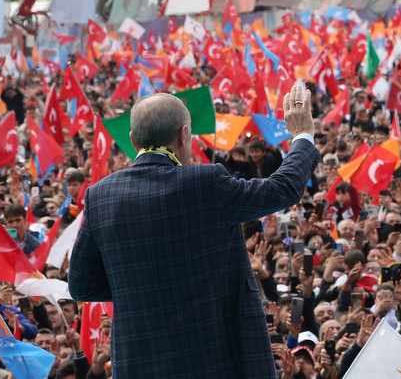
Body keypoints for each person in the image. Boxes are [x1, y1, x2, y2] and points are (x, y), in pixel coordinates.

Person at [68, 86, 320, 378]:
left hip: (140, 364)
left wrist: (142, 288)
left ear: (133, 140)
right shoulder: (206, 182)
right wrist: (302, 134)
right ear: (184, 134)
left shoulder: (100, 196)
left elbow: (81, 285)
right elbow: (283, 189)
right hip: (217, 361)